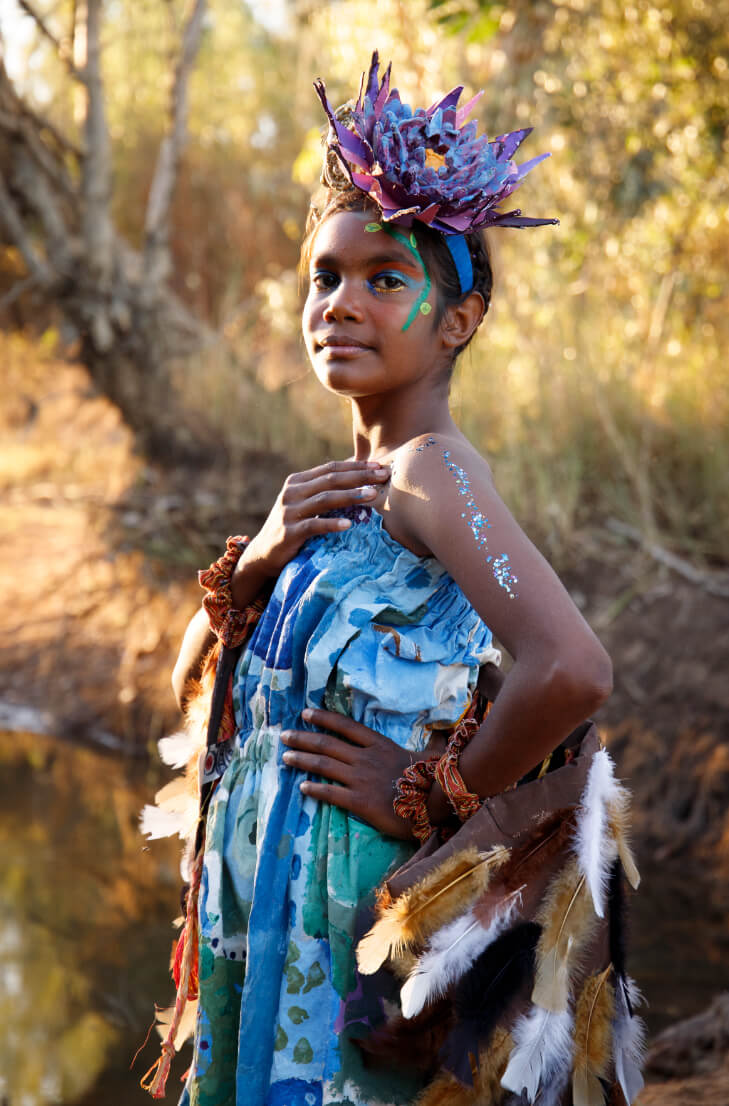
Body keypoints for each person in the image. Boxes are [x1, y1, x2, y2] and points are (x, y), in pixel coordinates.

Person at [143, 52, 641, 1106]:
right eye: (325, 276)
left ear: (458, 320)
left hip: (351, 916)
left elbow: (573, 666)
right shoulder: (333, 493)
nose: (341, 301)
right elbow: (188, 687)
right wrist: (262, 553)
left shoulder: (432, 471)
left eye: (386, 279)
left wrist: (433, 793)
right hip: (267, 907)